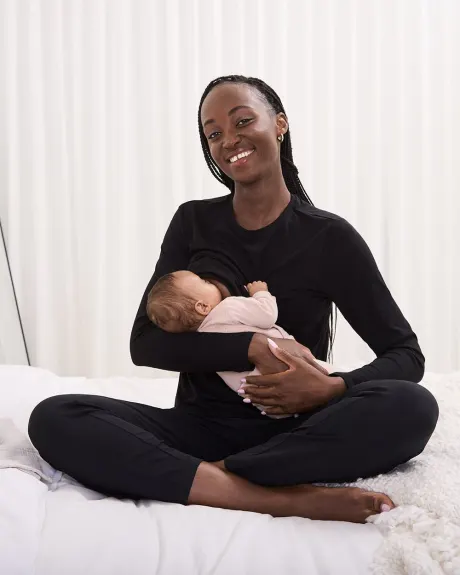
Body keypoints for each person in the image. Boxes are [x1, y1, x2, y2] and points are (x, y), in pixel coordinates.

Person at [28, 75, 439, 524]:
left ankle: (209, 478)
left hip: (299, 430)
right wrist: (250, 345)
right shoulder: (193, 222)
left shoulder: (329, 237)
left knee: (413, 406)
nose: (229, 141)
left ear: (279, 124)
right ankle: (276, 498)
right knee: (55, 416)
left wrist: (332, 388)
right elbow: (145, 343)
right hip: (198, 427)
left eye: (243, 121)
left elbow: (405, 355)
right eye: (214, 133)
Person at [146, 272, 331, 419]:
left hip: (268, 404)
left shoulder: (204, 343)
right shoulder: (228, 308)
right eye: (204, 282)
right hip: (293, 367)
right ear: (202, 307)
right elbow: (267, 315)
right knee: (333, 379)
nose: (211, 281)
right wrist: (260, 292)